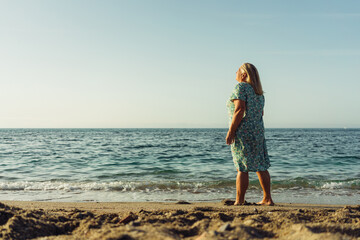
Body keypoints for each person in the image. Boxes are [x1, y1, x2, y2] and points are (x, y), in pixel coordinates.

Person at [225, 63, 274, 206]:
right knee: (261, 166)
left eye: (237, 71)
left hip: (243, 131)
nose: (235, 72)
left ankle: (239, 201)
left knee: (241, 167)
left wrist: (231, 131)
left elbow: (239, 110)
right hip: (257, 131)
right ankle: (267, 198)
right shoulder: (259, 93)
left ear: (244, 75)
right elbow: (261, 113)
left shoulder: (241, 87)